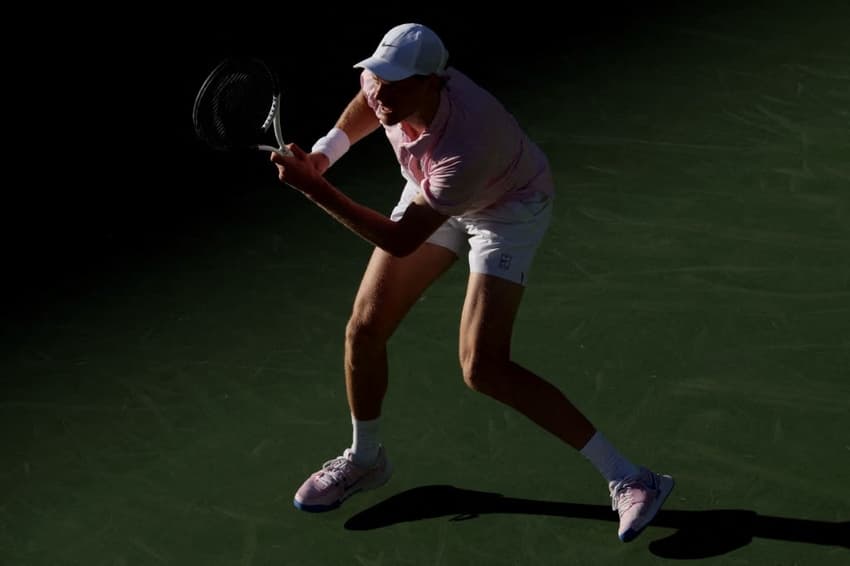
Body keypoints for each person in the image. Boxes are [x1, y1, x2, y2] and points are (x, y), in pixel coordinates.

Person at [270, 22, 674, 542]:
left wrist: (314, 187)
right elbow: (368, 100)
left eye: (396, 85)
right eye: (376, 78)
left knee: (483, 367)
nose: (381, 93)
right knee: (364, 330)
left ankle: (632, 477)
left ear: (434, 83)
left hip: (507, 209)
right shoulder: (386, 89)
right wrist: (324, 154)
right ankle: (366, 459)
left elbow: (399, 240)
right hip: (430, 192)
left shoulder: (467, 138)